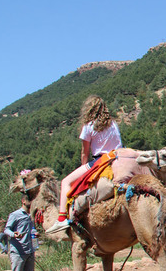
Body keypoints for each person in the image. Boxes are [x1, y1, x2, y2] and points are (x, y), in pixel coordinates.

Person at [46, 95, 123, 234]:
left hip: (101, 160)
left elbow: (84, 152)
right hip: (119, 158)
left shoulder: (88, 126)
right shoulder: (113, 124)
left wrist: (84, 168)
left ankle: (62, 218)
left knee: (66, 182)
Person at [4, 195, 38, 271]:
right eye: (29, 200)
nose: (31, 203)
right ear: (23, 201)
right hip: (18, 251)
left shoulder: (31, 215)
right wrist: (14, 234)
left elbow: (31, 230)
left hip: (30, 250)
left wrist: (35, 234)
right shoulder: (15, 214)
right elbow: (6, 229)